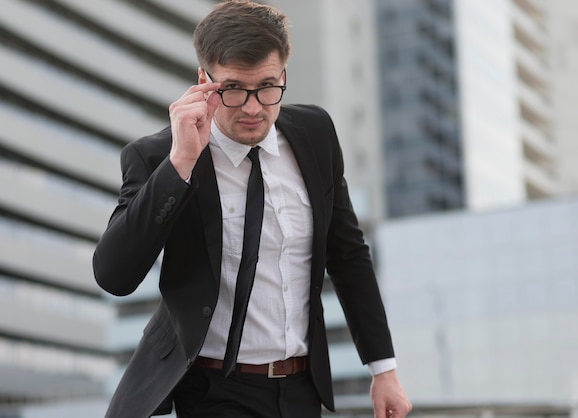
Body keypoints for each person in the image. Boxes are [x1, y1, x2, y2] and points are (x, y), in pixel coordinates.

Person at [93, 1, 412, 417]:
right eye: (233, 89)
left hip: (300, 390)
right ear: (204, 81)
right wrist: (180, 165)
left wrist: (383, 369)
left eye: (266, 86)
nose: (252, 107)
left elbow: (348, 255)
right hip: (211, 391)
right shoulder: (157, 158)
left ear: (283, 76)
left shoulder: (315, 135)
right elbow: (114, 276)